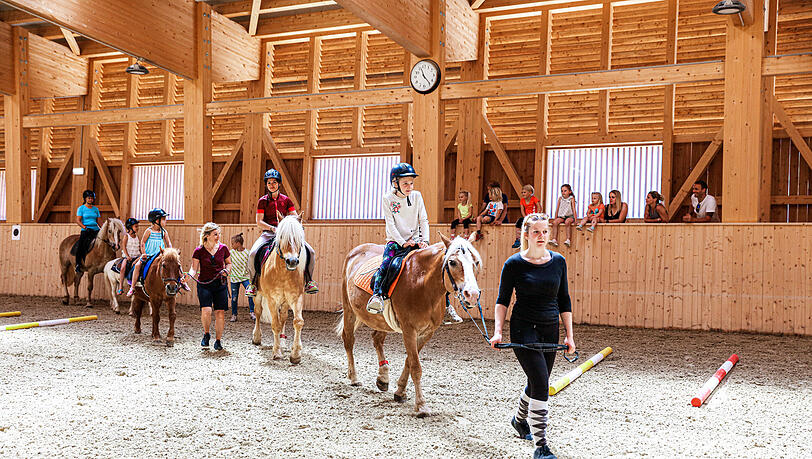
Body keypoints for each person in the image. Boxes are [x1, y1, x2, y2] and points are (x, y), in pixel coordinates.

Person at [489, 213, 575, 459]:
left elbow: (564, 300)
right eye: (536, 232)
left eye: (545, 231)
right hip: (523, 328)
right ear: (525, 235)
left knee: (538, 381)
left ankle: (519, 420)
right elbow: (502, 301)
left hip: (550, 329)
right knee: (541, 383)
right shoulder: (513, 264)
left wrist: (569, 336)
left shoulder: (558, 261)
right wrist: (497, 331)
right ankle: (541, 446)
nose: (541, 236)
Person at [367, 163, 462, 325]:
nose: (409, 186)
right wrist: (403, 242)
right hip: (396, 242)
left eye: (411, 183)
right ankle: (377, 295)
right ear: (395, 183)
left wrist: (424, 240)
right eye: (405, 183)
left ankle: (446, 307)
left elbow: (423, 220)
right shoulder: (387, 199)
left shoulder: (417, 196)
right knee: (388, 264)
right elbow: (390, 224)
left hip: (418, 241)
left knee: (439, 267)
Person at [245, 169, 318, 297]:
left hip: (286, 235)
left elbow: (295, 217)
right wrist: (273, 228)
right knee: (253, 253)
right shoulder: (262, 201)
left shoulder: (287, 200)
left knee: (310, 251)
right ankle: (253, 283)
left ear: (279, 184)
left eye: (274, 182)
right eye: (269, 183)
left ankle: (308, 280)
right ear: (266, 185)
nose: (271, 185)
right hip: (269, 233)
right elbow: (259, 222)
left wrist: (293, 227)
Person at [184, 222, 232, 351]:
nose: (218, 236)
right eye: (215, 234)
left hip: (220, 284)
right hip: (204, 284)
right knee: (206, 311)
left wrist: (226, 271)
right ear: (207, 236)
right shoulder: (198, 251)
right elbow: (194, 269)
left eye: (218, 234)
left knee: (220, 313)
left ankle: (218, 340)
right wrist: (188, 276)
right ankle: (206, 334)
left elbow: (228, 264)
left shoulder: (223, 248)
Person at [127, 208, 174, 297]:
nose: (165, 221)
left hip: (160, 255)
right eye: (163, 219)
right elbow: (143, 243)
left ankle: (181, 281)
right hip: (148, 255)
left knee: (174, 264)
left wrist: (170, 253)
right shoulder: (149, 231)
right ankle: (132, 287)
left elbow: (169, 243)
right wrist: (144, 253)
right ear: (156, 220)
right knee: (137, 265)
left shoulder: (164, 232)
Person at [228, 233, 255, 322]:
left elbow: (251, 265)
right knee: (234, 297)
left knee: (250, 294)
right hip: (234, 278)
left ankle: (252, 312)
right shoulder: (231, 253)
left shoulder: (248, 253)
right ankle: (234, 314)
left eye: (233, 243)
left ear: (238, 243)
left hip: (245, 277)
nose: (231, 245)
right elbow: (227, 263)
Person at [74, 190, 101, 273]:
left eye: (92, 198)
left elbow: (99, 221)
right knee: (81, 245)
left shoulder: (96, 209)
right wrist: (85, 227)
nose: (90, 200)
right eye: (89, 198)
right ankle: (78, 264)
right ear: (85, 199)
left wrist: (102, 229)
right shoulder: (81, 208)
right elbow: (78, 220)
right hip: (86, 230)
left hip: (95, 229)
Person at [117, 218, 142, 296]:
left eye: (137, 226)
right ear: (130, 227)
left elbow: (139, 247)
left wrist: (141, 254)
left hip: (136, 256)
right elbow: (124, 247)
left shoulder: (137, 236)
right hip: (128, 257)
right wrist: (127, 256)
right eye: (136, 226)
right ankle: (120, 287)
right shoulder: (126, 236)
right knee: (123, 267)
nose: (137, 228)